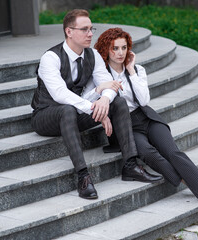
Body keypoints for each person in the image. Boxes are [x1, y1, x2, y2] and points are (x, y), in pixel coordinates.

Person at [93, 27, 198, 225]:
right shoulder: (101, 74)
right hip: (126, 126)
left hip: (146, 118)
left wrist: (130, 71)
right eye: (115, 48)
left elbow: (144, 99)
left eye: (124, 48)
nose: (120, 53)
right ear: (106, 50)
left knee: (173, 153)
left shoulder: (138, 70)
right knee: (148, 152)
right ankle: (193, 184)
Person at [31, 10, 162, 200]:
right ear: (69, 32)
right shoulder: (51, 58)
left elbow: (110, 84)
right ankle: (83, 177)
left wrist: (105, 101)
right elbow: (60, 94)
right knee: (66, 110)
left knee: (117, 101)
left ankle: (130, 165)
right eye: (84, 29)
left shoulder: (92, 55)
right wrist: (96, 110)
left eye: (91, 29)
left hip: (77, 110)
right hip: (46, 115)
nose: (90, 33)